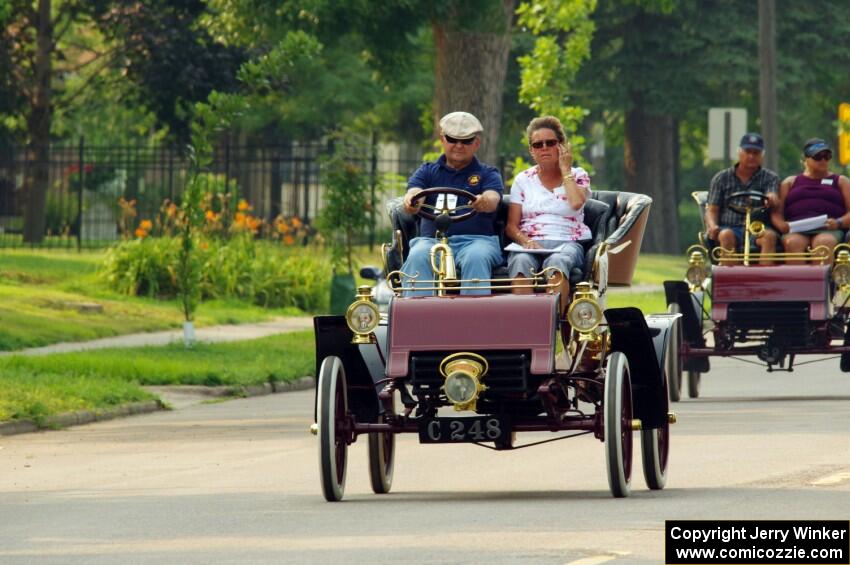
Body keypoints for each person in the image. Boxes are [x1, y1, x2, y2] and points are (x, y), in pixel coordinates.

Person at [401, 111, 504, 296]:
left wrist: (484, 201)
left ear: (476, 143)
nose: (458, 146)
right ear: (442, 139)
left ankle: (474, 322)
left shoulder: (488, 173)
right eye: (452, 139)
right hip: (431, 241)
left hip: (477, 242)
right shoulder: (427, 171)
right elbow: (415, 192)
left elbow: (493, 198)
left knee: (476, 257)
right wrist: (412, 201)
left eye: (466, 141)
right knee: (418, 254)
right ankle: (417, 319)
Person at [504, 116, 591, 305]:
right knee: (520, 261)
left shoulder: (578, 174)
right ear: (531, 151)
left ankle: (554, 328)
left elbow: (576, 203)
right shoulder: (522, 180)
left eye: (550, 143)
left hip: (567, 241)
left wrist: (565, 170)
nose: (544, 148)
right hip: (531, 242)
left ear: (561, 146)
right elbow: (511, 227)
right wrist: (526, 242)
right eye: (537, 144)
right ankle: (524, 327)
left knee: (557, 262)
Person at [770, 138, 850, 264]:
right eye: (818, 156)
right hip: (797, 229)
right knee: (793, 242)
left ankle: (823, 283)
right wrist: (782, 226)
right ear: (806, 159)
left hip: (828, 229)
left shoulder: (841, 181)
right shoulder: (790, 182)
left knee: (823, 243)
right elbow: (776, 212)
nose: (823, 160)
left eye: (827, 156)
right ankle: (797, 283)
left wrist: (838, 223)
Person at [705, 133, 780, 264]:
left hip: (758, 227)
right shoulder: (721, 178)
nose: (751, 156)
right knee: (725, 235)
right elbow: (712, 210)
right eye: (747, 151)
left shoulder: (770, 178)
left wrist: (772, 197)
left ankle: (765, 281)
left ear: (762, 155)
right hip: (729, 227)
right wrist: (713, 226)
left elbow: (772, 194)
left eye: (756, 153)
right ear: (739, 152)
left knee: (769, 236)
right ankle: (731, 281)